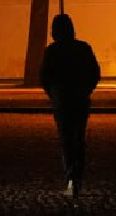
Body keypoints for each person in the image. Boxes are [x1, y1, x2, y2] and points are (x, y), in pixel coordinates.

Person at [40, 13, 101, 200]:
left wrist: (53, 93)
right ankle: (77, 177)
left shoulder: (52, 51)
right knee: (79, 139)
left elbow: (44, 76)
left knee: (66, 140)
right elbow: (95, 72)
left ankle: (71, 178)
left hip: (62, 100)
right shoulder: (83, 48)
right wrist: (86, 90)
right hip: (80, 99)